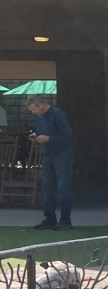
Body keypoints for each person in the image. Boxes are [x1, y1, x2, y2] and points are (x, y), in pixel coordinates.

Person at [26, 94, 73, 230]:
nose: (34, 112)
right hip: (47, 154)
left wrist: (48, 138)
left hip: (62, 154)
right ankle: (50, 218)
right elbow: (38, 130)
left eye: (34, 109)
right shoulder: (38, 116)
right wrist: (35, 135)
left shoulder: (58, 114)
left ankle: (65, 220)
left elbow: (67, 135)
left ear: (41, 104)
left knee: (63, 187)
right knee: (47, 188)